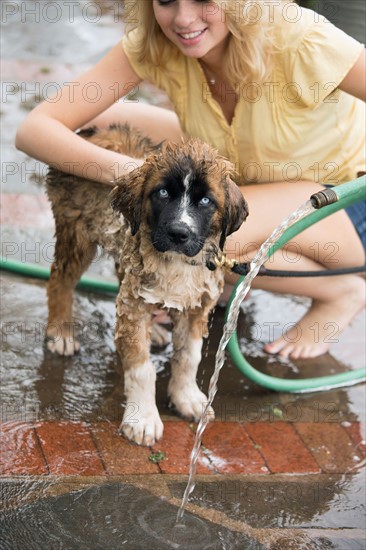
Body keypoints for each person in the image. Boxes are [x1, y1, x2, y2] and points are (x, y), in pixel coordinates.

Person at [16, 0, 365, 359]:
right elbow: (36, 128)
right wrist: (135, 176)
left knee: (206, 235)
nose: (183, 18)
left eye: (203, 0)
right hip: (252, 178)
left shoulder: (300, 36)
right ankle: (227, 278)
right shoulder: (157, 38)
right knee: (96, 127)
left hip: (346, 205)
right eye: (166, 0)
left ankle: (339, 291)